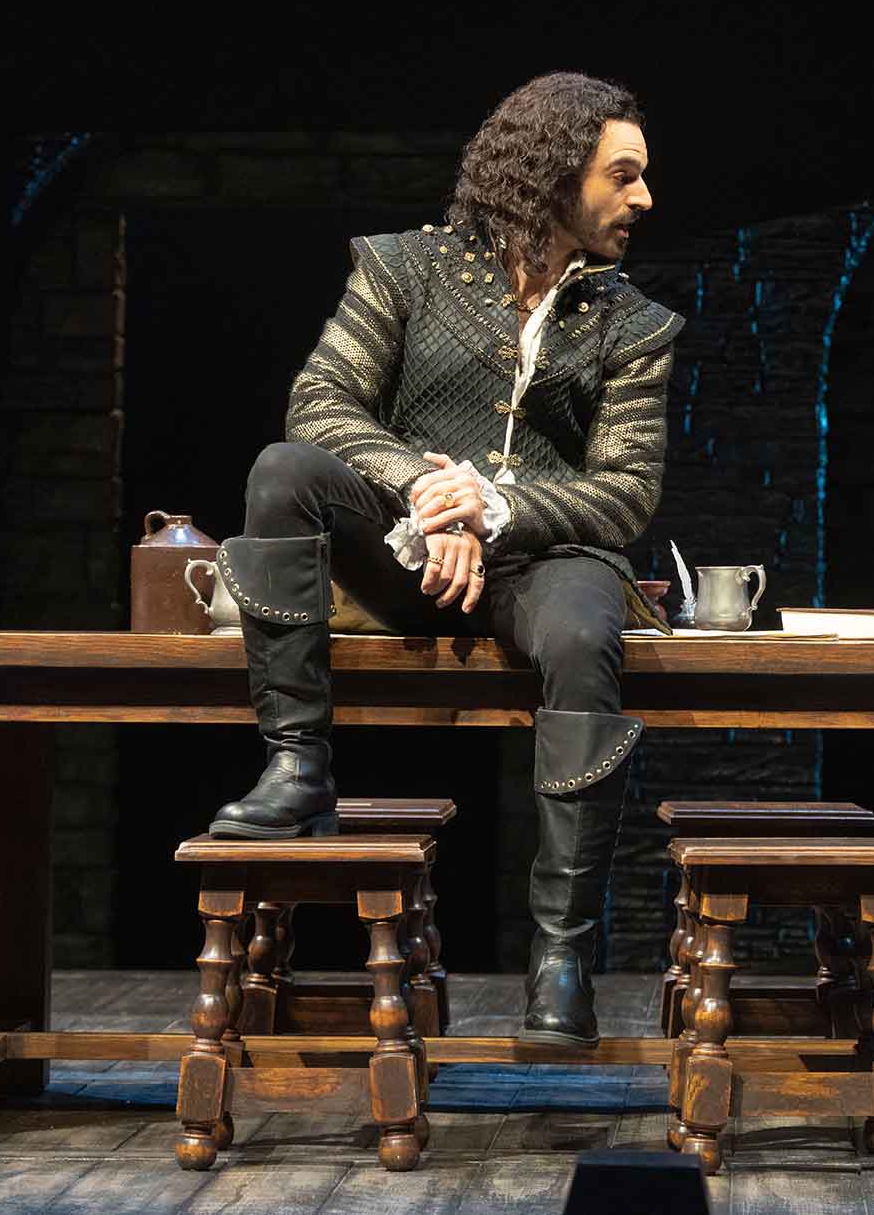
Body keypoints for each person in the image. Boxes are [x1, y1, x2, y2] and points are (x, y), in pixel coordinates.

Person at [205, 72, 682, 1048]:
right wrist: (431, 494)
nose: (643, 200)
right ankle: (297, 765)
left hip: (544, 558)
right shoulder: (405, 270)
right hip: (400, 543)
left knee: (588, 637)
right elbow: (324, 405)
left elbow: (625, 490)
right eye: (622, 176)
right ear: (554, 174)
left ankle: (562, 956)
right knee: (281, 471)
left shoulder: (635, 325)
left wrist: (496, 505)